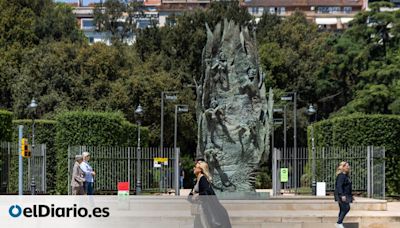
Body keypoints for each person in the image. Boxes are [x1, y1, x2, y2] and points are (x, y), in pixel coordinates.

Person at [188, 160, 231, 228]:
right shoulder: (197, 180)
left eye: (195, 167)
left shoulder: (203, 179)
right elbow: (189, 198)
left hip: (206, 210)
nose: (193, 168)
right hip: (201, 211)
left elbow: (208, 192)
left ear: (200, 169)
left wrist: (198, 195)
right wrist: (193, 195)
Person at [334, 161, 353, 228]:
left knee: (342, 209)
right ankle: (339, 222)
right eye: (347, 166)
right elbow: (339, 186)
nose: (348, 167)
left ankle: (339, 223)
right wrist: (342, 195)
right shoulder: (341, 176)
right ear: (343, 167)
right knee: (346, 208)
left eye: (348, 166)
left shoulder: (346, 176)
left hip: (346, 195)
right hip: (341, 195)